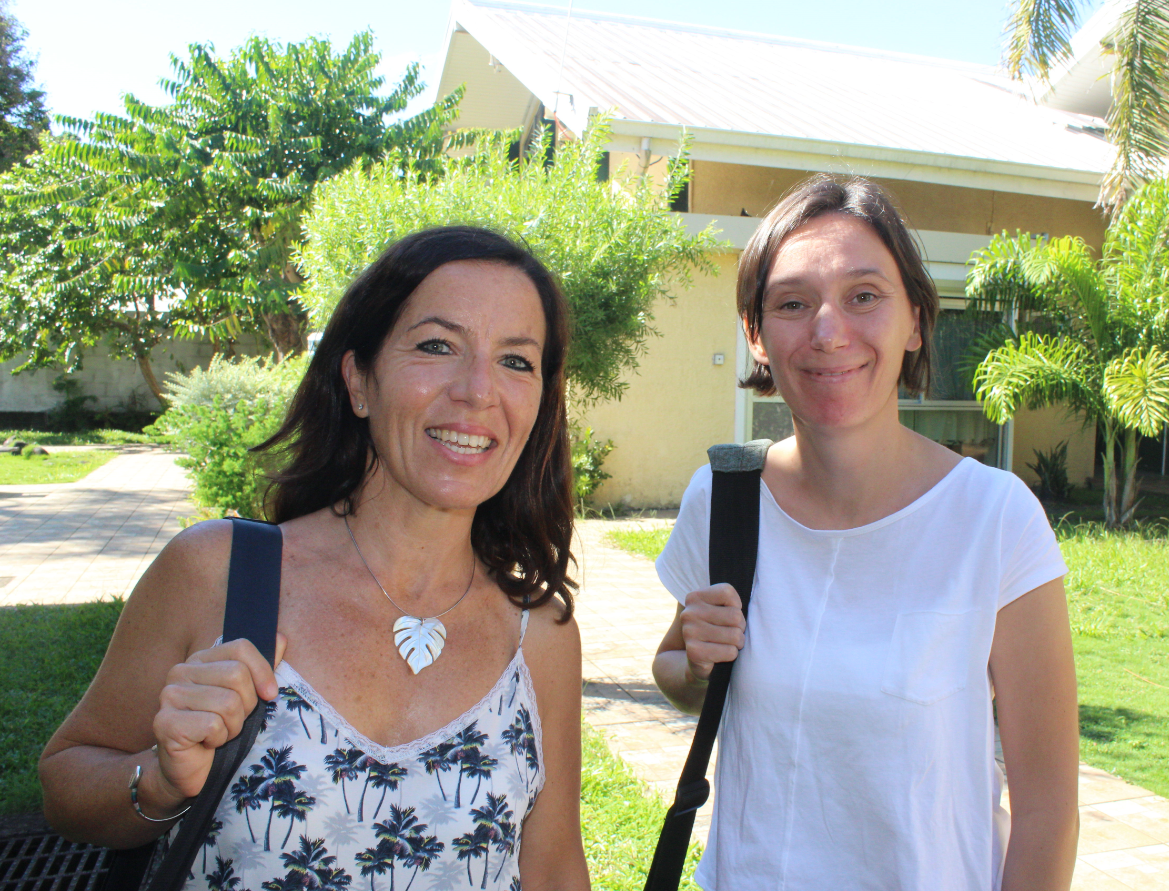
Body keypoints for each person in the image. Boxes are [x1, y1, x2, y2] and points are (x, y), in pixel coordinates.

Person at [40, 227, 591, 891]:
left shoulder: (540, 634)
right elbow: (66, 783)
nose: (477, 390)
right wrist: (159, 780)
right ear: (358, 380)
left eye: (516, 361)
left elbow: (554, 867)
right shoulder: (220, 573)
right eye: (437, 345)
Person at [651, 176, 1079, 891]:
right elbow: (675, 668)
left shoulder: (994, 519)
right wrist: (693, 667)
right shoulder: (724, 499)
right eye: (792, 303)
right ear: (756, 335)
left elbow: (1047, 809)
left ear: (914, 320)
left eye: (864, 296)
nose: (827, 330)